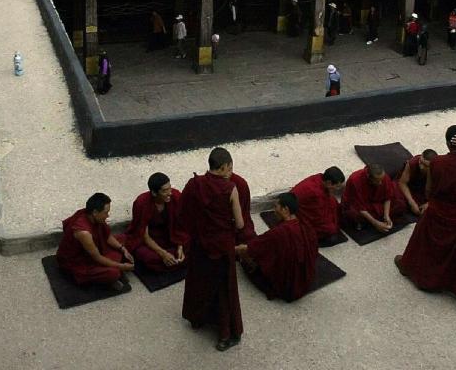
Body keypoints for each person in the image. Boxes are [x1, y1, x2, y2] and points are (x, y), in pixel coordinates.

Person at [395, 125, 456, 315]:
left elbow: (428, 190)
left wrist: (433, 201)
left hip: (437, 210)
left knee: (423, 240)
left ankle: (407, 266)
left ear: (447, 143)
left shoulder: (436, 162)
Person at [180, 147, 245, 352]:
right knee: (223, 289)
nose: (231, 171)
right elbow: (241, 224)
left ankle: (197, 318)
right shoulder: (230, 188)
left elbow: (184, 211)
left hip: (200, 243)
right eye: (230, 167)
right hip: (221, 246)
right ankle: (226, 335)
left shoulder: (194, 184)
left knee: (199, 280)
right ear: (224, 166)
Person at [236, 192, 317, 302]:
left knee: (247, 254)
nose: (274, 211)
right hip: (304, 281)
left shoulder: (278, 233)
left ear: (285, 209)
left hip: (285, 286)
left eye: (276, 207)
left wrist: (231, 250)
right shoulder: (306, 226)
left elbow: (249, 248)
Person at [55, 193, 134, 289]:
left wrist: (123, 249)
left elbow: (107, 237)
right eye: (106, 212)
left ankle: (112, 268)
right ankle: (105, 279)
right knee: (113, 273)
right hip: (79, 262)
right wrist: (122, 266)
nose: (107, 216)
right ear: (95, 212)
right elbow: (97, 257)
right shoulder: (83, 232)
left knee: (124, 239)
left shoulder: (94, 217)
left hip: (93, 249)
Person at [126, 173, 189, 272]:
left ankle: (173, 261)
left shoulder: (176, 196)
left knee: (193, 245)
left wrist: (180, 246)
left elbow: (182, 225)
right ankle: (173, 262)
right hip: (151, 239)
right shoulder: (142, 202)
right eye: (165, 191)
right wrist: (163, 254)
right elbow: (143, 235)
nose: (170, 193)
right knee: (148, 257)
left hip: (171, 235)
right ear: (154, 193)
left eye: (170, 188)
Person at [340, 163, 405, 233]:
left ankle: (372, 222)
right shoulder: (355, 180)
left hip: (378, 203)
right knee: (352, 214)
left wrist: (386, 215)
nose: (380, 183)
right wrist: (375, 223)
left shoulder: (383, 177)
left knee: (400, 204)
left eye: (381, 180)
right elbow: (358, 206)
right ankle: (372, 221)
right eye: (377, 181)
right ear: (368, 176)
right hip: (362, 207)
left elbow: (388, 196)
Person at [290, 167, 345, 242]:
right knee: (331, 229)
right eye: (336, 186)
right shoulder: (315, 193)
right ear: (329, 183)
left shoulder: (319, 177)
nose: (337, 189)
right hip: (295, 210)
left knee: (335, 205)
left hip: (307, 203)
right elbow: (317, 216)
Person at [398, 148, 437, 216]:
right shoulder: (413, 163)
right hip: (413, 188)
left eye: (425, 166)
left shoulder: (439, 169)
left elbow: (443, 190)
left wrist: (429, 203)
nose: (421, 167)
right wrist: (411, 202)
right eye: (420, 162)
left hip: (428, 192)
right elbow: (402, 183)